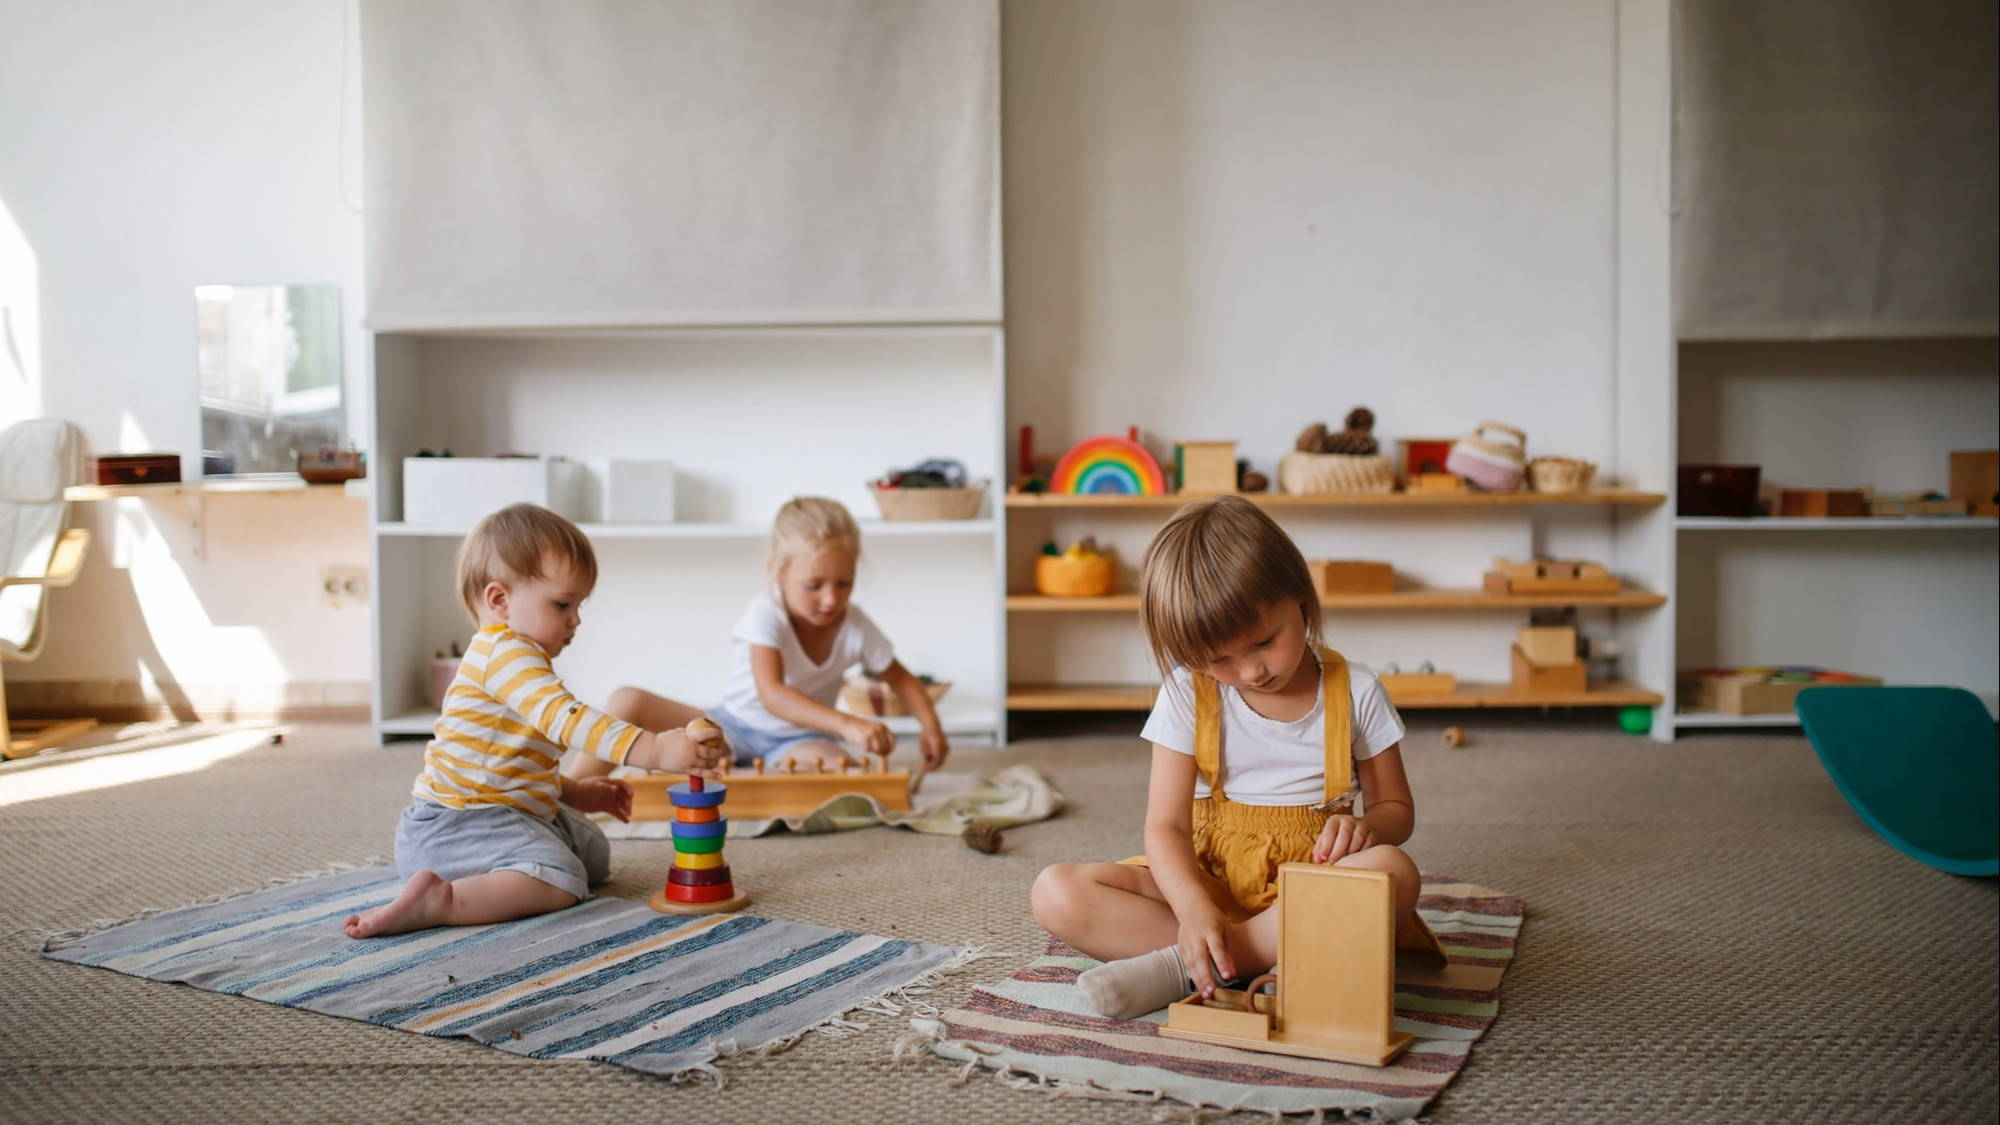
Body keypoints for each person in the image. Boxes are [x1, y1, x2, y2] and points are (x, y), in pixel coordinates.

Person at [1030, 494, 1444, 1019]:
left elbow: (1396, 810)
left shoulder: (1355, 690)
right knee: (1057, 893)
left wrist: (1369, 830)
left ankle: (1194, 967)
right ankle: (1256, 958)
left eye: (1265, 641)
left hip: (1312, 886)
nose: (1251, 671)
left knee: (1394, 871)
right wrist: (1194, 909)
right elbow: (1166, 828)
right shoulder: (1187, 693)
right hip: (1211, 881)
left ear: (1299, 595)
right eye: (1219, 659)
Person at [345, 503, 730, 938]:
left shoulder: (518, 659)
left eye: (580, 604)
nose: (576, 619)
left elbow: (510, 765)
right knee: (564, 879)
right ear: (500, 601)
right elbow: (572, 722)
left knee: (593, 853)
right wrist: (656, 750)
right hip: (456, 827)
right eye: (563, 603)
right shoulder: (505, 655)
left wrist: (579, 792)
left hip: (501, 810)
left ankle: (503, 871)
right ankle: (443, 901)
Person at [570, 496, 949, 781]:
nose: (831, 599)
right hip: (729, 727)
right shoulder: (765, 613)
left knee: (842, 773)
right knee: (627, 700)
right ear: (777, 574)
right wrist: (849, 724)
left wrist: (930, 726)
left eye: (844, 583)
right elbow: (772, 694)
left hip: (798, 741)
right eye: (813, 585)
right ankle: (571, 790)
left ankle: (749, 775)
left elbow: (901, 679)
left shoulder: (855, 625)